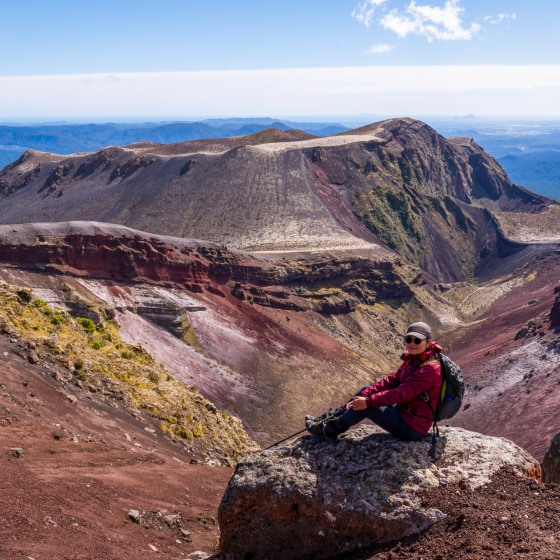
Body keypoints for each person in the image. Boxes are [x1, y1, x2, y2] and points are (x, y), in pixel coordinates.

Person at [306, 322, 442, 443]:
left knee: (369, 406)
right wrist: (364, 395)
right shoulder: (413, 360)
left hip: (412, 427)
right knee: (367, 389)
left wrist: (368, 401)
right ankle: (333, 417)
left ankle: (330, 431)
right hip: (404, 412)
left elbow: (401, 394)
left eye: (417, 340)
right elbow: (391, 381)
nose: (412, 343)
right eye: (409, 339)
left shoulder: (430, 368)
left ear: (429, 343)